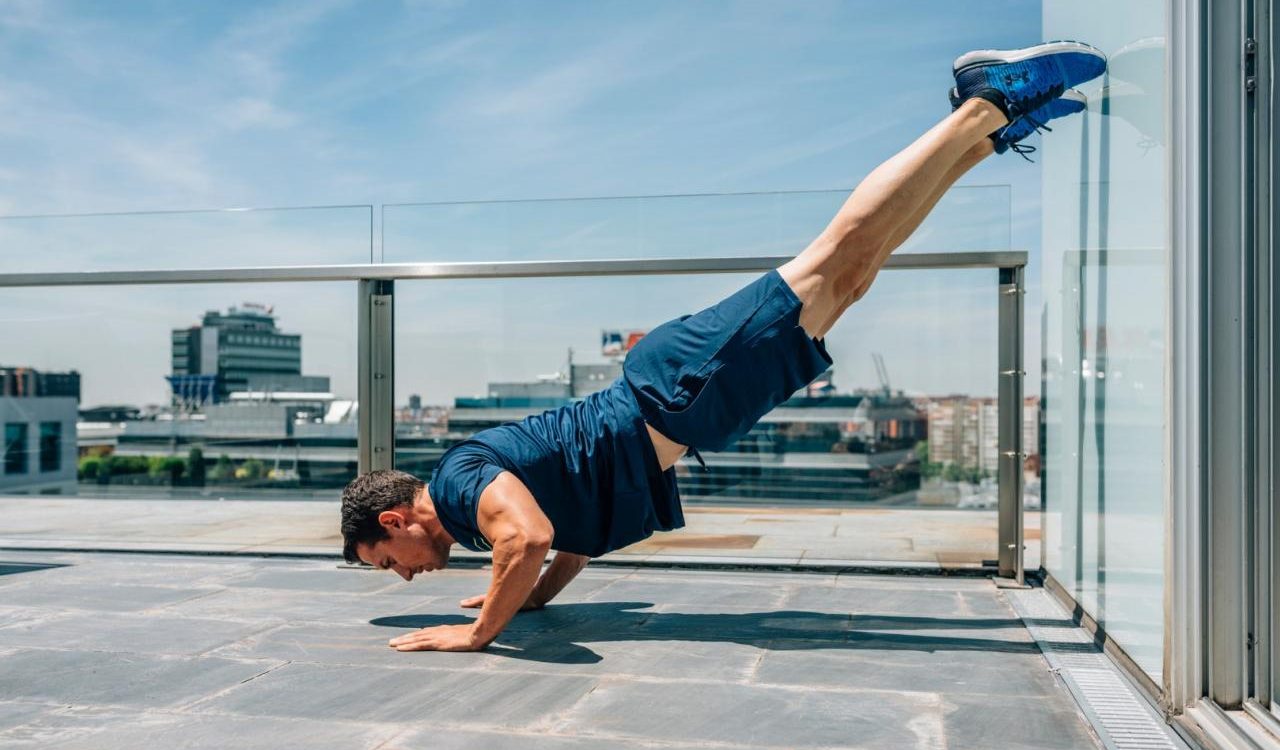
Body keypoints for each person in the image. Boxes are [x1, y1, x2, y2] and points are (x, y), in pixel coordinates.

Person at [340, 41, 1107, 652]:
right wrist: (524, 592)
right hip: (685, 395)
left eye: (388, 567)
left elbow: (534, 535)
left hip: (682, 383)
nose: (404, 579)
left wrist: (480, 634)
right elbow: (564, 539)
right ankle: (983, 134)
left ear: (395, 524)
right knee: (855, 274)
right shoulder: (473, 513)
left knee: (840, 254)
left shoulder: (459, 484)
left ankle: (984, 97)